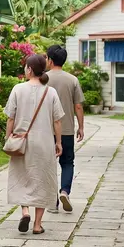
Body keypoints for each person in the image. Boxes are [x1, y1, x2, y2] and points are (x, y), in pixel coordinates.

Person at [4, 54, 65, 234]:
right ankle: (37, 225)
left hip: (22, 142)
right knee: (42, 181)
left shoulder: (17, 89)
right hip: (44, 142)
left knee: (22, 178)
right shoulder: (50, 92)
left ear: (29, 70)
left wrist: (9, 138)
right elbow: (57, 121)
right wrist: (59, 142)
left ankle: (24, 211)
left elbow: (10, 118)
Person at [45, 45, 85, 213]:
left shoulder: (42, 79)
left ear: (50, 60)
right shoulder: (72, 80)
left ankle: (52, 203)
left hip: (45, 131)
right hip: (67, 130)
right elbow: (78, 106)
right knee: (67, 162)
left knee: (48, 165)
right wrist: (81, 127)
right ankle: (65, 192)